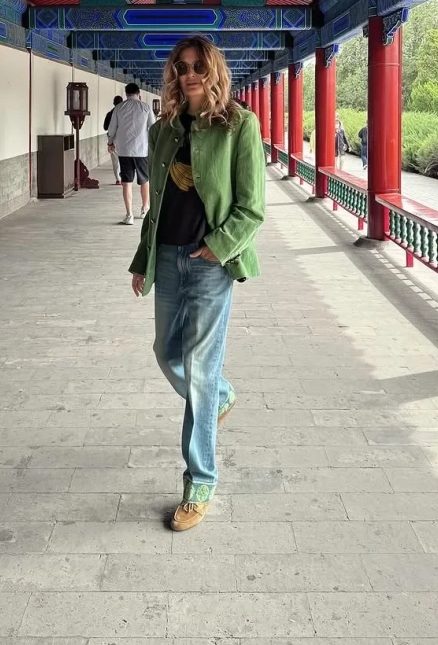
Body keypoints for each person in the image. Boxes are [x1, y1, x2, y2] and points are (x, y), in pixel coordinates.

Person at [129, 37, 265, 531]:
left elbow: (252, 207)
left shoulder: (239, 125)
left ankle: (200, 481)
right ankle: (221, 397)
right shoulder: (163, 129)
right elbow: (156, 205)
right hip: (167, 257)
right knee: (166, 352)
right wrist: (142, 259)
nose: (189, 75)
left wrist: (219, 245)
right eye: (181, 67)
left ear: (214, 72)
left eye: (198, 67)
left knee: (200, 372)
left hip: (211, 263)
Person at [107, 82, 155, 225]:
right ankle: (145, 208)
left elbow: (112, 128)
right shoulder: (146, 107)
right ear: (139, 93)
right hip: (142, 150)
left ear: (126, 94)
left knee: (126, 183)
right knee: (144, 181)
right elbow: (153, 128)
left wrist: (110, 142)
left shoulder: (119, 108)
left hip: (124, 150)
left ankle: (129, 215)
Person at [103, 95, 124, 184]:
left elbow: (105, 127)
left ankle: (118, 179)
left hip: (113, 139)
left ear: (113, 103)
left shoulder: (110, 114)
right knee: (124, 159)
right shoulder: (125, 113)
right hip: (124, 139)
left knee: (115, 161)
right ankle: (125, 177)